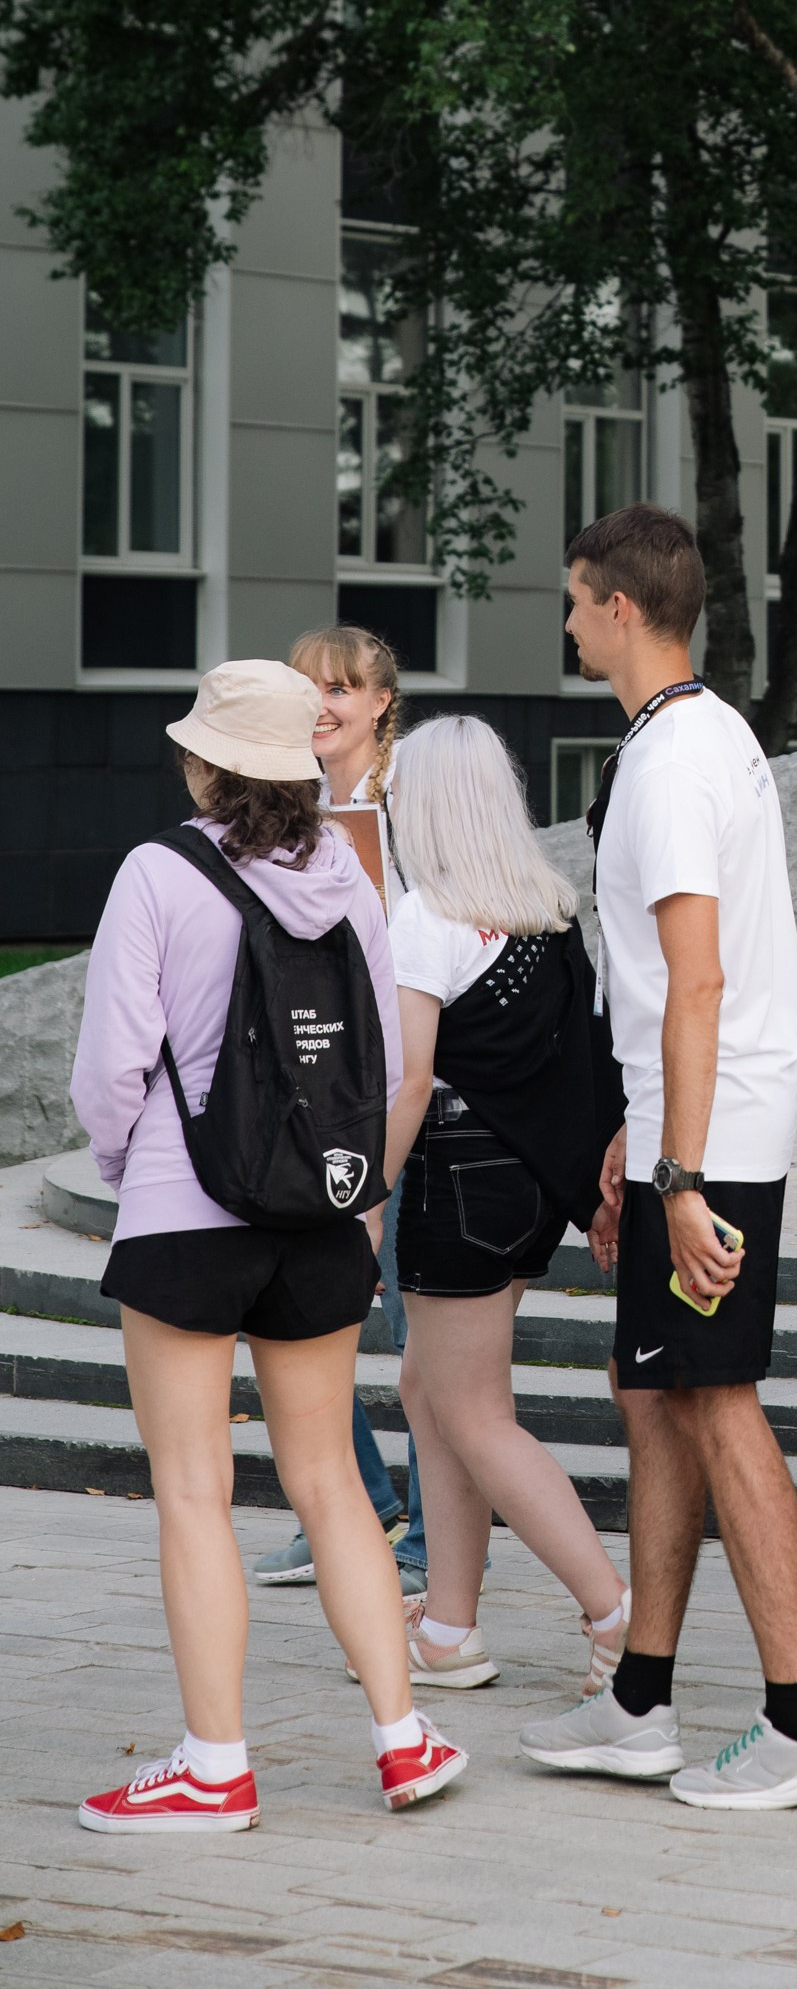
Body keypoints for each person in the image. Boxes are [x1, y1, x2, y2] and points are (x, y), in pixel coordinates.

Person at [70, 658, 466, 1826]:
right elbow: (384, 1061)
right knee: (332, 1477)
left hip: (185, 1209)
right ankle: (403, 1736)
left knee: (193, 1487)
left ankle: (214, 1762)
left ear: (207, 763)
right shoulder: (348, 877)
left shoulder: (157, 870)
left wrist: (123, 1170)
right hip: (318, 1214)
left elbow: (111, 1067)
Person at [519, 502, 797, 1812]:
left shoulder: (668, 764)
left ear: (619, 607)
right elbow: (677, 995)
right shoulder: (710, 732)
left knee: (715, 1399)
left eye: (571, 597)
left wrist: (679, 1174)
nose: (562, 620)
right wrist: (636, 1125)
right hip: (697, 1122)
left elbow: (700, 979)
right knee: (650, 1387)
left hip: (713, 1142)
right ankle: (639, 1700)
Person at [377, 714, 630, 1695]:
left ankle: (616, 1615)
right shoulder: (551, 910)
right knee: (428, 1388)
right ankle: (448, 1625)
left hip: (456, 1177)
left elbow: (407, 1083)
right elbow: (580, 1069)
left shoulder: (426, 917)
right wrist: (589, 1192)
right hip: (527, 1190)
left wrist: (365, 1202)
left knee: (474, 1411)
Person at [255, 624, 426, 1598]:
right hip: (306, 1098)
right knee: (297, 1314)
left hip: (405, 1089)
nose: (321, 700)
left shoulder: (405, 807)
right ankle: (352, 1505)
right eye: (307, 684)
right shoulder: (281, 806)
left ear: (379, 702)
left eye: (340, 685)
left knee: (416, 1330)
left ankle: (429, 1543)